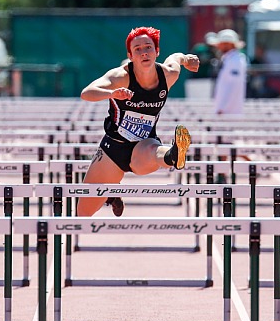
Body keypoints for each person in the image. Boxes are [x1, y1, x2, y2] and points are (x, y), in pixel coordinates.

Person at [77, 26, 199, 217]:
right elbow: (86, 93)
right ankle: (111, 192)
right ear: (130, 55)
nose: (144, 53)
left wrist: (186, 58)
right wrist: (112, 93)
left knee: (155, 151)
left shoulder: (168, 75)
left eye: (148, 47)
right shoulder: (120, 77)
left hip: (144, 145)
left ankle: (173, 154)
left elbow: (175, 58)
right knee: (83, 213)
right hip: (114, 149)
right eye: (138, 49)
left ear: (157, 51)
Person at [212, 29, 247, 115]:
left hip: (229, 112)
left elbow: (234, 86)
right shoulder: (230, 59)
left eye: (220, 43)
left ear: (228, 44)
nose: (218, 46)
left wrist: (223, 107)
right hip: (227, 111)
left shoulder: (235, 61)